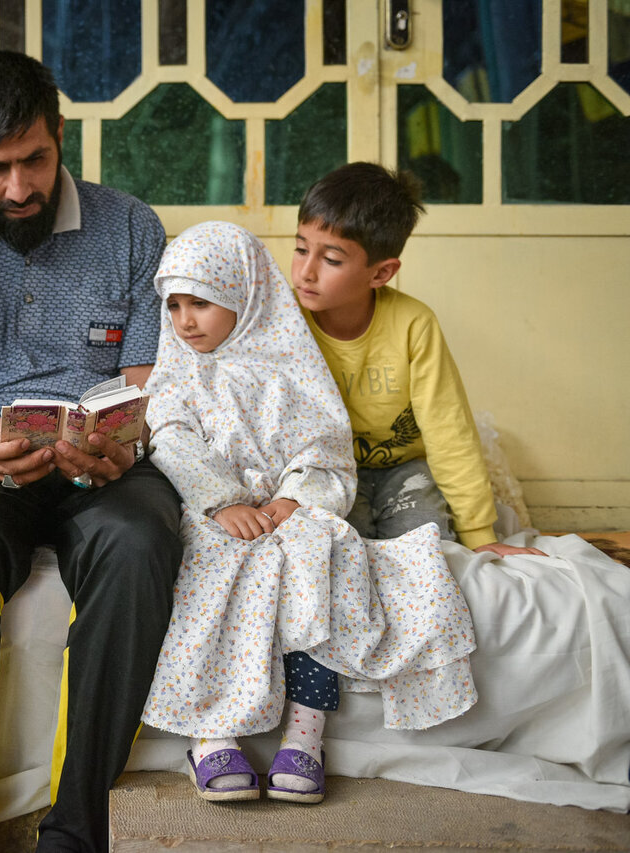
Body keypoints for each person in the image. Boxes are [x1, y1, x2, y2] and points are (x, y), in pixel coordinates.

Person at [0, 50, 183, 852]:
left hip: (104, 467)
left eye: (36, 160)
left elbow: (146, 375)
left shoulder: (130, 225)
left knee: (140, 541)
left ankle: (74, 830)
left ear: (62, 136)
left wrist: (122, 444)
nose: (19, 187)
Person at [140, 221, 478, 804]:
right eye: (173, 305)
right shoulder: (178, 375)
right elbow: (170, 442)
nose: (185, 321)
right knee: (210, 568)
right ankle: (212, 731)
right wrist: (223, 503)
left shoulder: (292, 364)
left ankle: (305, 735)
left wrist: (293, 501)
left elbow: (322, 443)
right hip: (218, 513)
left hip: (287, 509)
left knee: (324, 553)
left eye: (201, 303)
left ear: (245, 298)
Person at [291, 162, 544, 558]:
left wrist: (481, 535)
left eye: (332, 260)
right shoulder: (285, 320)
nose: (305, 272)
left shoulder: (414, 323)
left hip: (405, 469)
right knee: (338, 552)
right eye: (301, 248)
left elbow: (448, 428)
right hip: (327, 471)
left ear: (382, 273)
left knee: (427, 549)